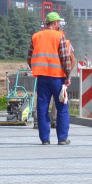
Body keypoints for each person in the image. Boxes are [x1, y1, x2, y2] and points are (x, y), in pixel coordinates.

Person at [28, 12, 73, 145]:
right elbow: (65, 58)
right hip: (57, 77)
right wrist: (68, 75)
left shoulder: (36, 36)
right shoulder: (59, 36)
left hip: (41, 77)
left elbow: (29, 57)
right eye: (58, 22)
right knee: (62, 106)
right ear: (54, 23)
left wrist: (36, 69)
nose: (59, 24)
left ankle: (45, 139)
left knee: (42, 108)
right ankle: (62, 138)